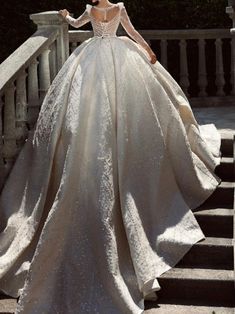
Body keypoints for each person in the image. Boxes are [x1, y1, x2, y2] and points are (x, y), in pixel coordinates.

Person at [0, 0, 221, 313]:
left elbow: (77, 25)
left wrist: (66, 16)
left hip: (91, 59)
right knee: (106, 115)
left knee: (94, 114)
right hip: (117, 59)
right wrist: (147, 51)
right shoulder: (117, 8)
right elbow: (131, 33)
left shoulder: (92, 11)